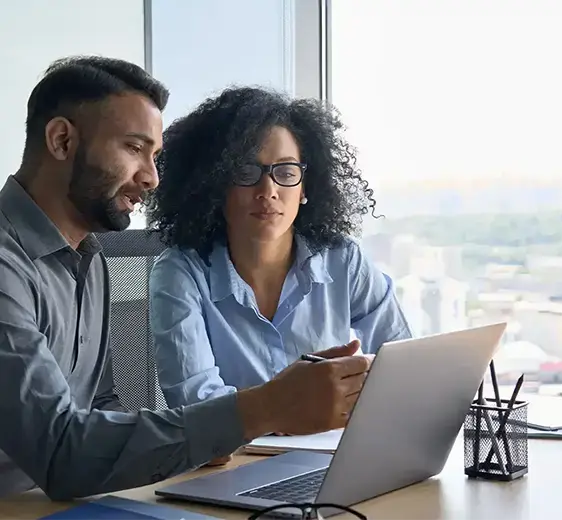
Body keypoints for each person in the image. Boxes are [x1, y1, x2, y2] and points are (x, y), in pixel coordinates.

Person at [0, 56, 371, 500]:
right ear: (61, 140)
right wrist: (266, 408)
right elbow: (62, 452)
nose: (152, 177)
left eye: (154, 156)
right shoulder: (7, 266)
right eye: (134, 148)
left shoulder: (88, 258)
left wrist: (196, 438)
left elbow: (101, 408)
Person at [145, 87, 411, 418]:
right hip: (234, 462)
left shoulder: (344, 260)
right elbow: (197, 408)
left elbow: (403, 366)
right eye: (245, 172)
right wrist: (293, 408)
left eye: (285, 172)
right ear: (214, 185)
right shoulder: (180, 273)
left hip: (333, 453)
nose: (268, 191)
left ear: (305, 188)